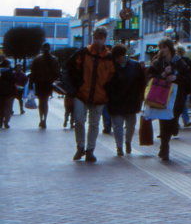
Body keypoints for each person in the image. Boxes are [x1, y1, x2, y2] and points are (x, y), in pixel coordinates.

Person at [66, 27, 116, 162]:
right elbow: (70, 69)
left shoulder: (109, 58)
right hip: (82, 93)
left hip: (99, 95)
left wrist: (107, 91)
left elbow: (113, 77)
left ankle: (90, 149)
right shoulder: (82, 53)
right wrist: (76, 87)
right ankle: (81, 146)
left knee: (94, 124)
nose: (98, 42)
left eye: (101, 39)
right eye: (96, 38)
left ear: (105, 39)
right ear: (92, 38)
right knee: (79, 120)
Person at [147, 37, 191, 162]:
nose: (162, 50)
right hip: (161, 97)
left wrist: (176, 77)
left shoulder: (180, 62)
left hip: (177, 98)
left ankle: (172, 131)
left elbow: (188, 78)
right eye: (160, 48)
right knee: (164, 122)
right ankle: (164, 148)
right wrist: (162, 75)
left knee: (172, 121)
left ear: (170, 48)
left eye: (164, 47)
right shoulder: (157, 63)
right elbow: (149, 78)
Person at [107, 45, 146, 156]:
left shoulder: (135, 66)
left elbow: (141, 83)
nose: (117, 59)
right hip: (117, 100)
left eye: (118, 57)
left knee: (130, 125)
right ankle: (119, 147)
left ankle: (128, 141)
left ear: (124, 55)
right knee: (117, 125)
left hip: (130, 100)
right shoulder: (112, 66)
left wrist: (141, 97)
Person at [30, 43, 60, 129]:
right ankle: (45, 120)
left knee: (40, 102)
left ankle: (41, 119)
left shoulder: (37, 59)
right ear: (49, 49)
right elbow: (56, 73)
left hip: (39, 82)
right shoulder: (53, 59)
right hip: (48, 83)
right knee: (45, 102)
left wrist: (30, 84)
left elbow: (33, 72)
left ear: (42, 49)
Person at [176, 46, 191, 127]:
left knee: (179, 105)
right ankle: (185, 121)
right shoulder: (186, 60)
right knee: (182, 104)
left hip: (178, 85)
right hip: (184, 86)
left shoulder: (175, 61)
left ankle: (177, 122)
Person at [0, 50, 15, 128]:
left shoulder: (0, 72)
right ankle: (6, 122)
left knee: (1, 107)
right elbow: (13, 81)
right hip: (9, 93)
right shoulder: (9, 73)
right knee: (8, 108)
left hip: (1, 93)